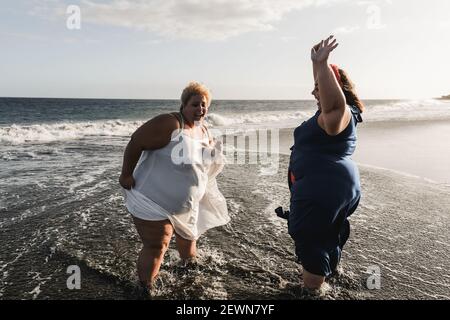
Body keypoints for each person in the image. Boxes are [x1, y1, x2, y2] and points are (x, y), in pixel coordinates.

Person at [119, 81, 229, 291]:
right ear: (183, 105)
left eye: (204, 105)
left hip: (187, 206)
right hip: (152, 200)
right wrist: (125, 174)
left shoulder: (203, 129)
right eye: (195, 104)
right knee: (157, 246)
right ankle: (145, 289)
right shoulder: (170, 123)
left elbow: (200, 162)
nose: (200, 109)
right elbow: (135, 142)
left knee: (189, 246)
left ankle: (189, 276)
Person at [287, 36, 364, 290]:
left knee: (312, 240)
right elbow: (328, 98)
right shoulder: (340, 113)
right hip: (335, 188)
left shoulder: (338, 115)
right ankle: (324, 277)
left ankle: (312, 290)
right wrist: (317, 65)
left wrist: (323, 64)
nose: (313, 92)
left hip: (323, 192)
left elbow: (333, 104)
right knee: (325, 234)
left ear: (334, 89)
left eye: (317, 87)